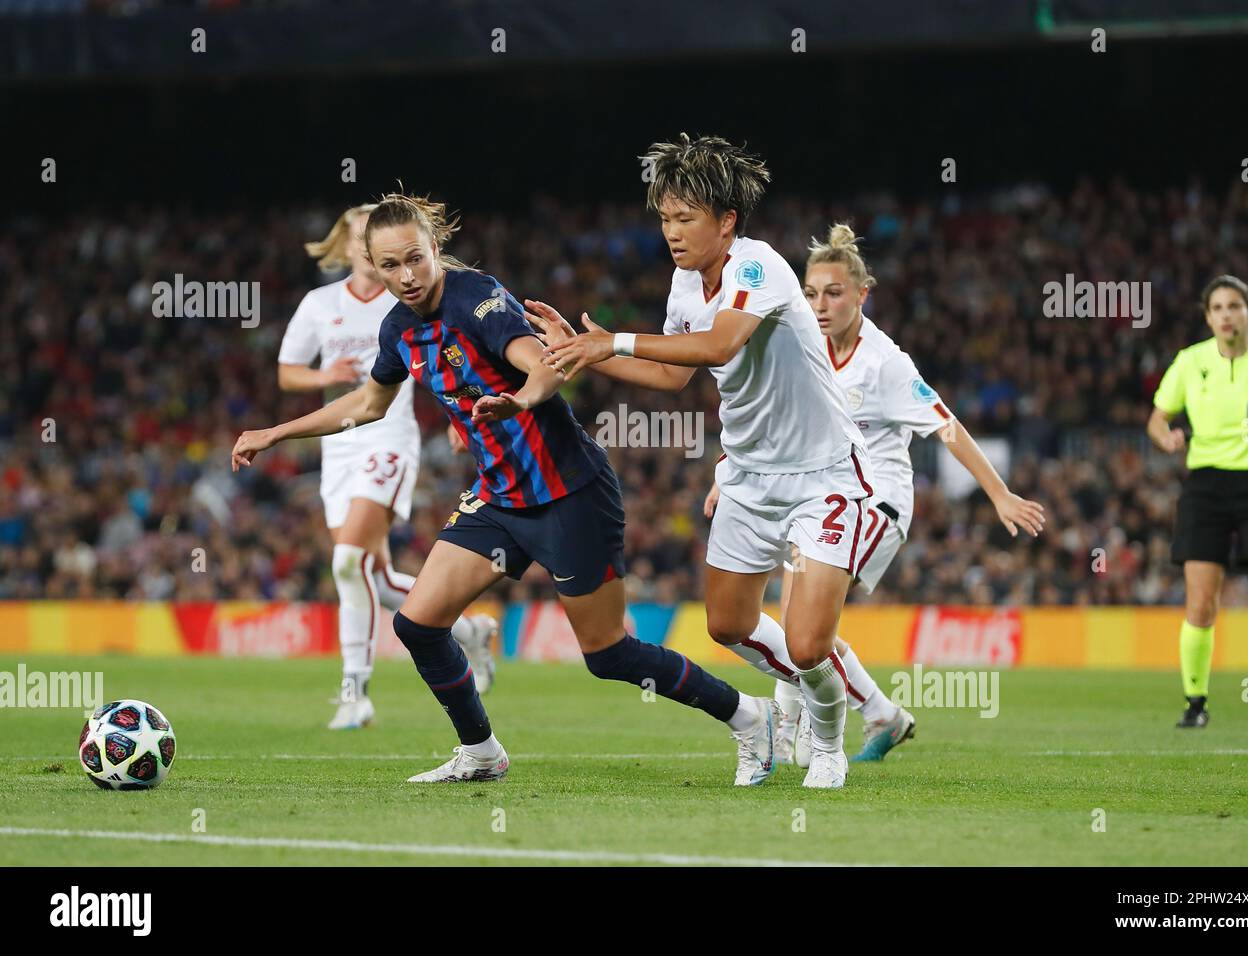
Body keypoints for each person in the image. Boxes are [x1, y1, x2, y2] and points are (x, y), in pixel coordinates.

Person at [237, 191, 777, 784]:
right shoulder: (397, 329)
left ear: (436, 248)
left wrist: (519, 398)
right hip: (500, 499)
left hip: (570, 493)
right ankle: (482, 752)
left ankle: (747, 716)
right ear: (370, 263)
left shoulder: (479, 300)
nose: (406, 276)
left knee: (609, 656)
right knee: (417, 624)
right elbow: (368, 404)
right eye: (389, 266)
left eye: (415, 258)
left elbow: (542, 361)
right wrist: (275, 432)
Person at [533, 134, 875, 788]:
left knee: (807, 645)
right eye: (664, 218)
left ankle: (828, 743)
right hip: (748, 476)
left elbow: (718, 347)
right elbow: (671, 378)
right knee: (727, 624)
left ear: (726, 221)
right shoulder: (685, 281)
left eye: (685, 218)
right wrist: (589, 354)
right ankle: (810, 690)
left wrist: (615, 337)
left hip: (822, 474)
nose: (671, 232)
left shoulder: (759, 266)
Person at [703, 223, 1044, 763]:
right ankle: (881, 715)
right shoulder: (799, 343)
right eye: (811, 293)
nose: (820, 305)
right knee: (803, 632)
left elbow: (945, 425)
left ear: (862, 294)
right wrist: (728, 472)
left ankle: (792, 730)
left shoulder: (883, 360)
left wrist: (998, 493)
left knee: (798, 624)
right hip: (818, 497)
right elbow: (765, 413)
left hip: (875, 503)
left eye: (834, 293)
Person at [278, 204, 495, 730]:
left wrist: (461, 415)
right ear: (352, 247)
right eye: (359, 239)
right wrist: (322, 374)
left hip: (389, 441)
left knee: (348, 562)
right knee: (367, 570)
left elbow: (447, 357)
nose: (369, 250)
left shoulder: (408, 301)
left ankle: (355, 691)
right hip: (340, 449)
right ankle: (469, 632)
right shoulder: (319, 304)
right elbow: (287, 373)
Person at [1148, 274, 1248, 730]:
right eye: (1217, 308)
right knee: (1201, 604)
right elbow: (1157, 418)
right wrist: (1167, 439)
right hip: (1206, 488)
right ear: (1208, 317)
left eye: (1234, 306)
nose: (1225, 315)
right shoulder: (1189, 363)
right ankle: (1195, 703)